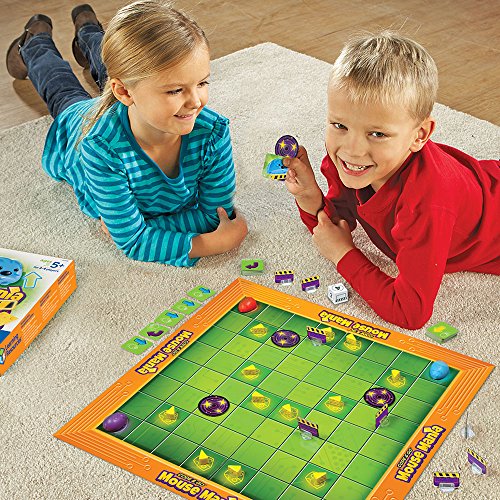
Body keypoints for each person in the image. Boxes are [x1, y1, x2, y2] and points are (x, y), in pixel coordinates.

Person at [6, 1, 248, 267]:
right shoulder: (100, 147)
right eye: (175, 90)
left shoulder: (213, 132)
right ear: (122, 92)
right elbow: (134, 242)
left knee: (120, 67)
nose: (196, 102)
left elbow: (215, 216)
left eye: (202, 83)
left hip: (133, 103)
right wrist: (215, 243)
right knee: (63, 91)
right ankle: (35, 43)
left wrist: (143, 228)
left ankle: (88, 29)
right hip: (80, 122)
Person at [284, 31, 500, 330]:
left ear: (419, 136)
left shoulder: (426, 205)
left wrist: (343, 254)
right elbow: (334, 227)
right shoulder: (348, 160)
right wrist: (308, 197)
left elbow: (410, 312)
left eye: (377, 134)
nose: (352, 149)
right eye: (339, 125)